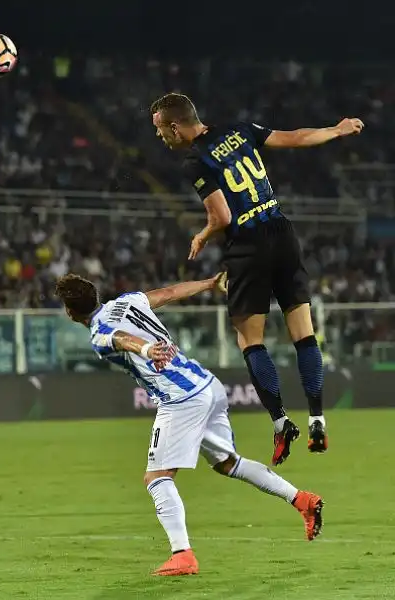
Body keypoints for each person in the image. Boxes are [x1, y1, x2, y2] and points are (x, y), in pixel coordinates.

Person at [55, 273, 324, 577]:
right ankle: (301, 499)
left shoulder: (98, 334)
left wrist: (144, 350)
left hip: (180, 398)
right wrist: (209, 284)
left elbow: (120, 339)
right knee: (228, 463)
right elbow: (168, 293)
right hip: (207, 384)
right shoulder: (127, 302)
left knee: (156, 477)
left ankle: (182, 554)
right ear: (96, 295)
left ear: (70, 312)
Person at [150, 92, 364, 466]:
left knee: (250, 339)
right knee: (304, 333)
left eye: (159, 130)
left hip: (249, 246)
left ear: (174, 125)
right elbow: (296, 137)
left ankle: (282, 423)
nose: (159, 138)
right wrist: (336, 130)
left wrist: (202, 235)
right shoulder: (239, 130)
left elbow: (222, 217)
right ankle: (317, 418)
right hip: (282, 233)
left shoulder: (195, 161)